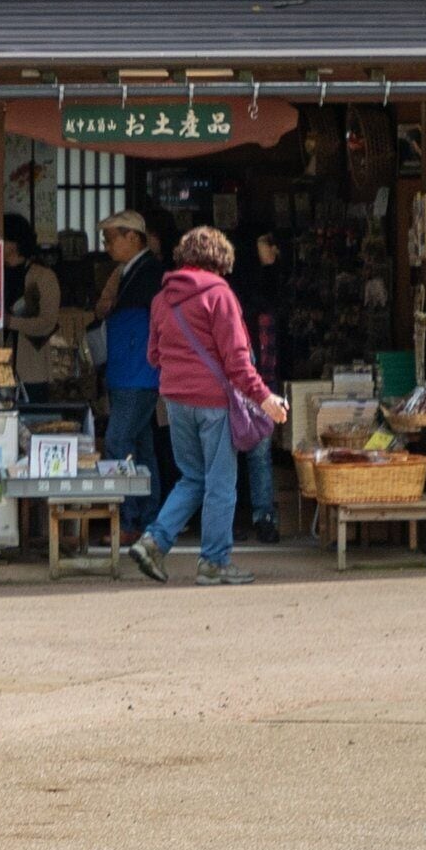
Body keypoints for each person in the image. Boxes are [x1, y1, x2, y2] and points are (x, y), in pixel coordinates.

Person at [124, 225, 288, 585]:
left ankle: (153, 540)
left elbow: (154, 355)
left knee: (192, 476)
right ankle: (214, 562)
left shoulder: (161, 298)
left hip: (174, 400)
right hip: (213, 402)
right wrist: (265, 397)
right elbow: (238, 361)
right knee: (220, 483)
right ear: (220, 259)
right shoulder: (220, 295)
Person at [87, 210, 173, 520]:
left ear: (132, 237)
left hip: (139, 371)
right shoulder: (128, 271)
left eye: (110, 240)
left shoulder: (152, 272)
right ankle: (149, 515)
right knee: (141, 444)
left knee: (117, 440)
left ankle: (130, 516)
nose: (106, 246)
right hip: (128, 370)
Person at [233, 230, 295, 543]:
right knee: (258, 454)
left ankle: (238, 517)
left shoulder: (236, 296)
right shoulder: (266, 297)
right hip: (259, 383)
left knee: (233, 455)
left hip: (238, 385)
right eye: (265, 246)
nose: (271, 252)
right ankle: (262, 518)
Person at [2, 213, 71, 398]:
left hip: (31, 366)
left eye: (2, 238)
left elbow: (47, 322)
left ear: (15, 243)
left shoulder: (43, 276)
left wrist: (9, 322)